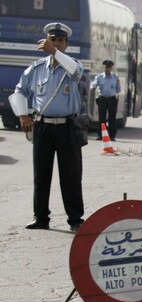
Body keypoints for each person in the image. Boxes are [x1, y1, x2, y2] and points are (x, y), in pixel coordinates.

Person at [8, 22, 85, 232]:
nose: (56, 44)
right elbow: (20, 90)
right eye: (53, 40)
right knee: (41, 175)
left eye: (60, 41)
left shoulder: (73, 65)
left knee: (70, 176)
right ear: (46, 42)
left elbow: (77, 74)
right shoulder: (36, 68)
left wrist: (55, 53)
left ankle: (75, 220)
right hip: (43, 126)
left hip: (67, 127)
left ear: (66, 44)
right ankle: (41, 217)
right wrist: (23, 114)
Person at [91, 59, 120, 141]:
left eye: (109, 67)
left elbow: (118, 89)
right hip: (102, 99)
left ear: (111, 68)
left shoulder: (115, 78)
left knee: (112, 118)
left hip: (112, 100)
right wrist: (93, 87)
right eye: (105, 67)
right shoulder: (99, 77)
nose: (107, 69)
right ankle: (101, 135)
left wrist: (112, 93)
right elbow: (94, 84)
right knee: (102, 118)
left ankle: (112, 135)